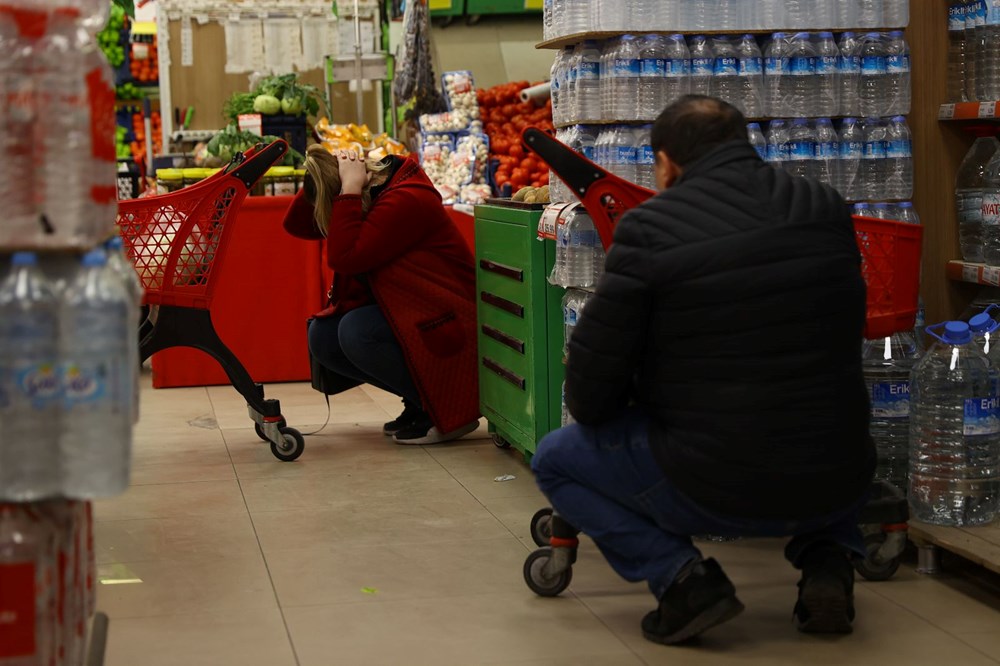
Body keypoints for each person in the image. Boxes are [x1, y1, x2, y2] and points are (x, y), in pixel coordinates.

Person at [531, 95, 874, 645]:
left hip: (714, 482)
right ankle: (828, 564)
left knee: (556, 460)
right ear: (744, 145)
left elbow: (592, 394)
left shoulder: (649, 229)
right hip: (840, 474)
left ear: (665, 163)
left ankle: (685, 582)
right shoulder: (824, 206)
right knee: (813, 413)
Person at [282, 145, 480, 444]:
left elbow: (346, 257)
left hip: (448, 318)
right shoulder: (377, 191)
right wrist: (323, 168)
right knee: (323, 335)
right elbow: (297, 224)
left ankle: (444, 412)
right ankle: (418, 400)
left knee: (356, 332)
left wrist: (347, 187)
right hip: (411, 311)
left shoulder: (405, 199)